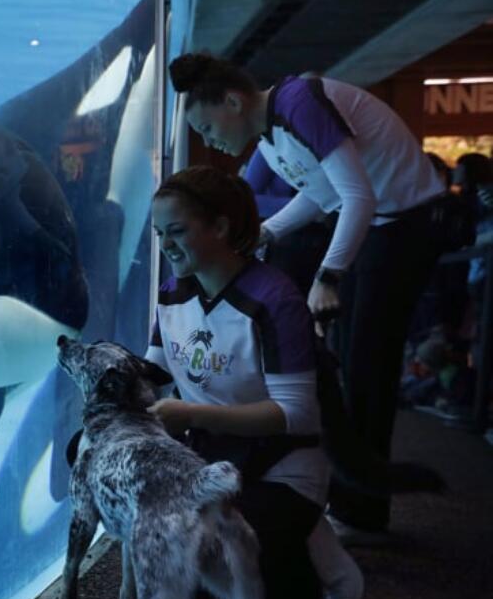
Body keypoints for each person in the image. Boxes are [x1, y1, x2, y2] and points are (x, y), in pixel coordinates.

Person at [168, 53, 452, 542]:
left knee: (368, 367)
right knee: (350, 365)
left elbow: (356, 196)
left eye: (207, 126)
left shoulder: (298, 103)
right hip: (383, 226)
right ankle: (357, 498)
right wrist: (265, 234)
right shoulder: (275, 135)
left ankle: (362, 511)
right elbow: (321, 193)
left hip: (405, 224)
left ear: (232, 101)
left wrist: (329, 276)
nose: (209, 140)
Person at [145, 165, 363, 599]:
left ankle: (307, 556)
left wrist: (190, 414)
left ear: (221, 227)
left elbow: (295, 414)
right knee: (173, 591)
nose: (165, 245)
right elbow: (152, 373)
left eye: (177, 231)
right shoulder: (172, 293)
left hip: (281, 467)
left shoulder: (274, 298)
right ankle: (298, 539)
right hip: (214, 468)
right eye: (159, 233)